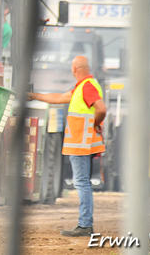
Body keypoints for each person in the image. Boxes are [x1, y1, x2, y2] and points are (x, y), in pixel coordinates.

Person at [27, 55, 106, 237]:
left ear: (75, 69)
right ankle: (85, 224)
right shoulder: (84, 86)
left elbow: (101, 109)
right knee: (83, 182)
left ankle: (85, 225)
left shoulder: (86, 87)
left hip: (81, 144)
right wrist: (34, 96)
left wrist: (94, 124)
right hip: (81, 144)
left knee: (82, 183)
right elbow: (59, 97)